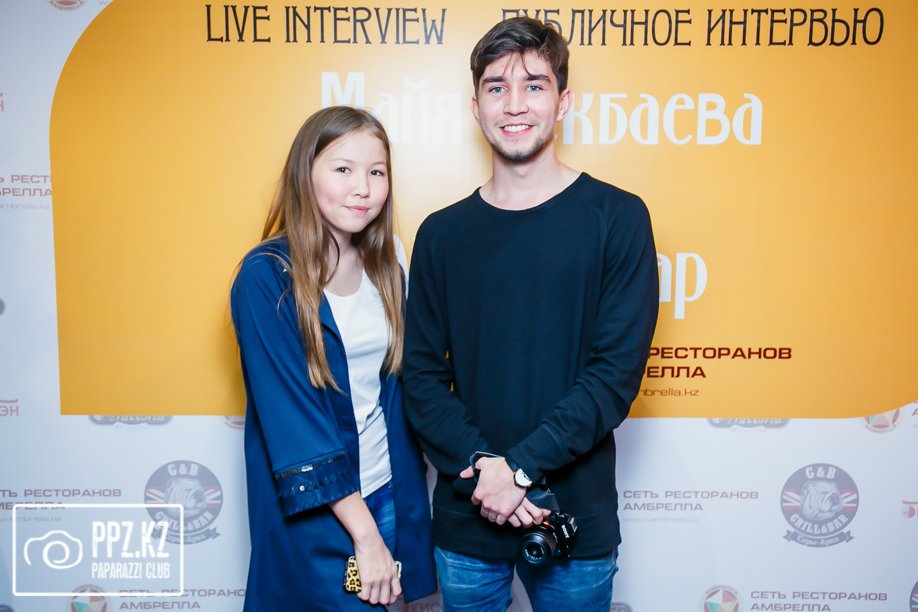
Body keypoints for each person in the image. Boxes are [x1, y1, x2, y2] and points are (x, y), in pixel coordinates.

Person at [403, 17, 659, 611]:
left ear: (563, 101)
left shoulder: (618, 218)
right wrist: (484, 468)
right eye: (497, 87)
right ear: (476, 107)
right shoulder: (441, 234)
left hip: (574, 517)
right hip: (468, 518)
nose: (514, 104)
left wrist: (516, 470)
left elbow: (613, 376)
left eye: (534, 85)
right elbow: (421, 377)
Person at [231, 106, 436, 610]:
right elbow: (293, 424)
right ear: (306, 173)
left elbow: (404, 384)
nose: (362, 188)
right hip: (320, 506)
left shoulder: (389, 263)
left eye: (377, 172)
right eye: (343, 169)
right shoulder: (266, 277)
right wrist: (366, 537)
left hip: (388, 487)